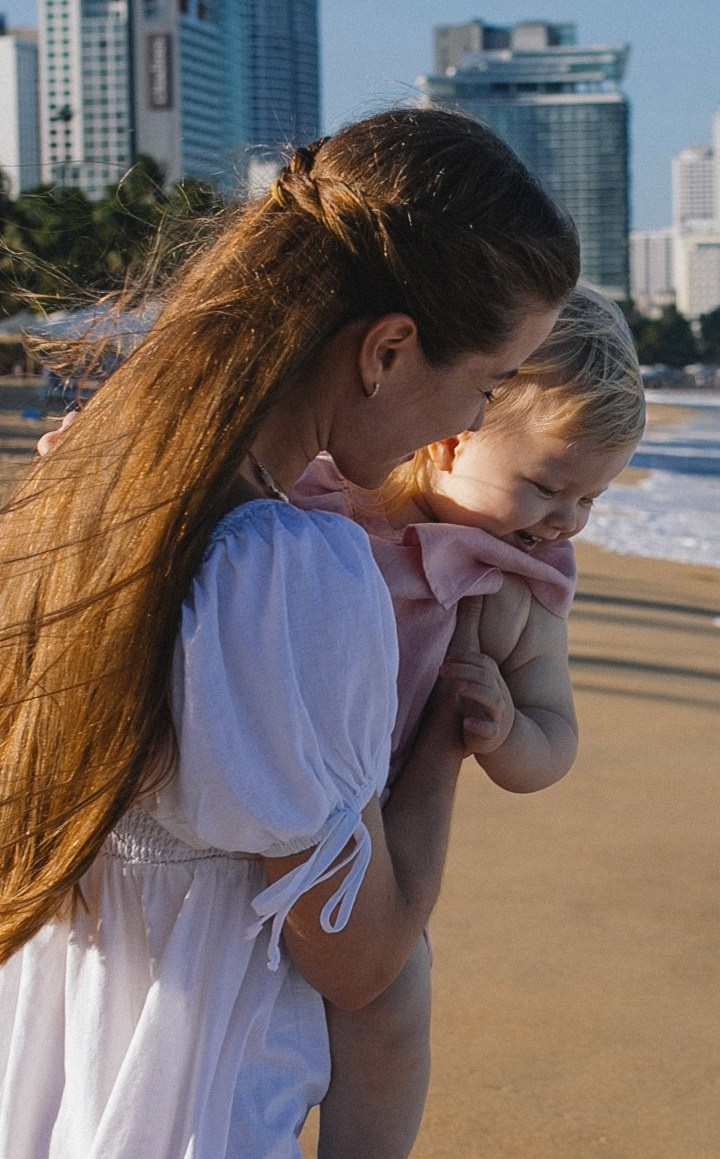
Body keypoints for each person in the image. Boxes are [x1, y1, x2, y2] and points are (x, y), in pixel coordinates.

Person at [0, 107, 579, 1158]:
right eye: (484, 384)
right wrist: (446, 739)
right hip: (190, 1110)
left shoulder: (81, 491)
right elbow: (355, 959)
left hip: (47, 1075)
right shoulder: (290, 575)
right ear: (388, 349)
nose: (460, 426)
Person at [292, 284, 645, 1158]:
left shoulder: (513, 587)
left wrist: (502, 729)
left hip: (369, 839)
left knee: (393, 1003)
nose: (564, 521)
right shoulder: (329, 497)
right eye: (546, 486)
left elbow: (553, 740)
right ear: (450, 431)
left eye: (589, 502)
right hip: (266, 795)